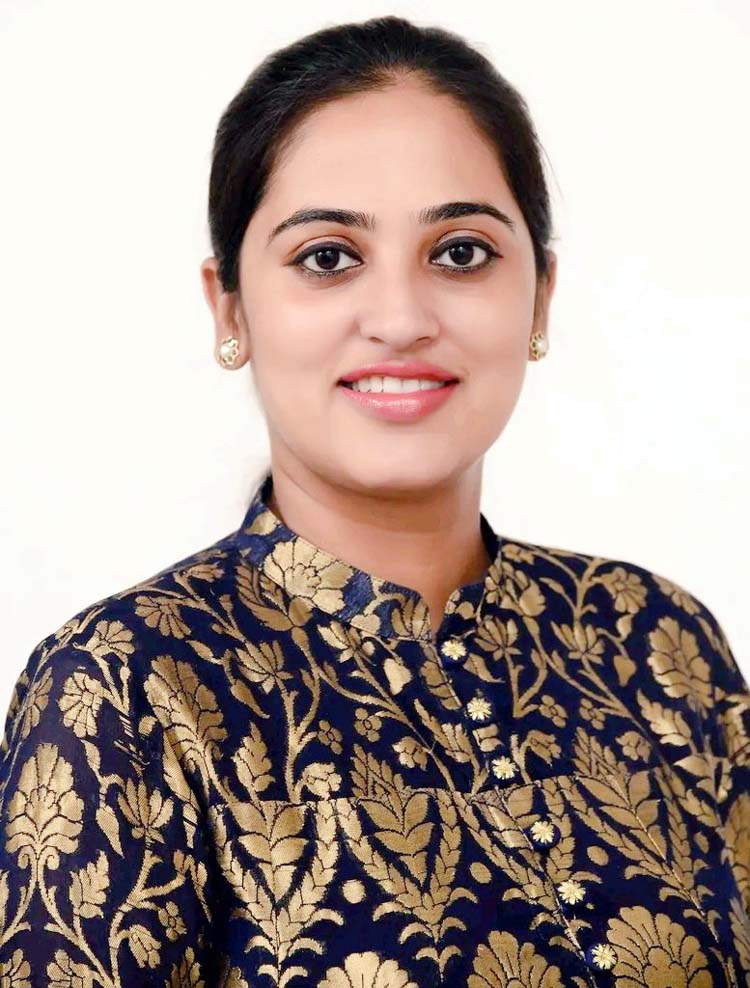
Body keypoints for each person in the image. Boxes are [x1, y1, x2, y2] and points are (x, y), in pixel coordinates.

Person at [1, 14, 748, 987]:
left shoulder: (658, 645)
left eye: (462, 252)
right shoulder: (127, 690)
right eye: (327, 257)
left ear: (541, 295)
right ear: (230, 305)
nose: (400, 319)